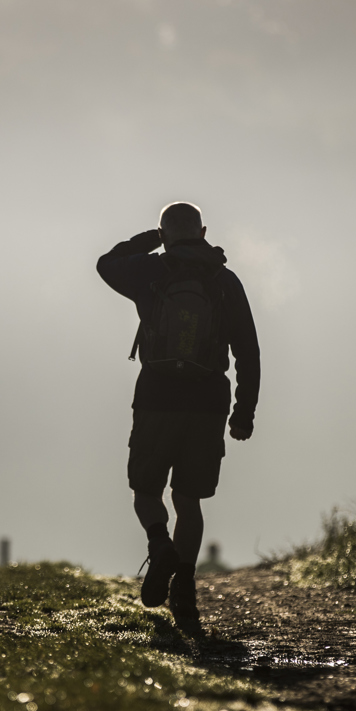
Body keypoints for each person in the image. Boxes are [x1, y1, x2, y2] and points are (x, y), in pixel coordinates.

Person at [97, 202, 260, 620]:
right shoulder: (224, 280)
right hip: (208, 404)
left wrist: (155, 240)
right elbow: (248, 351)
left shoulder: (150, 273)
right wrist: (244, 413)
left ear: (165, 232)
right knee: (189, 500)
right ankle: (184, 588)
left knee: (146, 491)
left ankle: (159, 546)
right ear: (203, 232)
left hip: (156, 397)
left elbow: (106, 263)